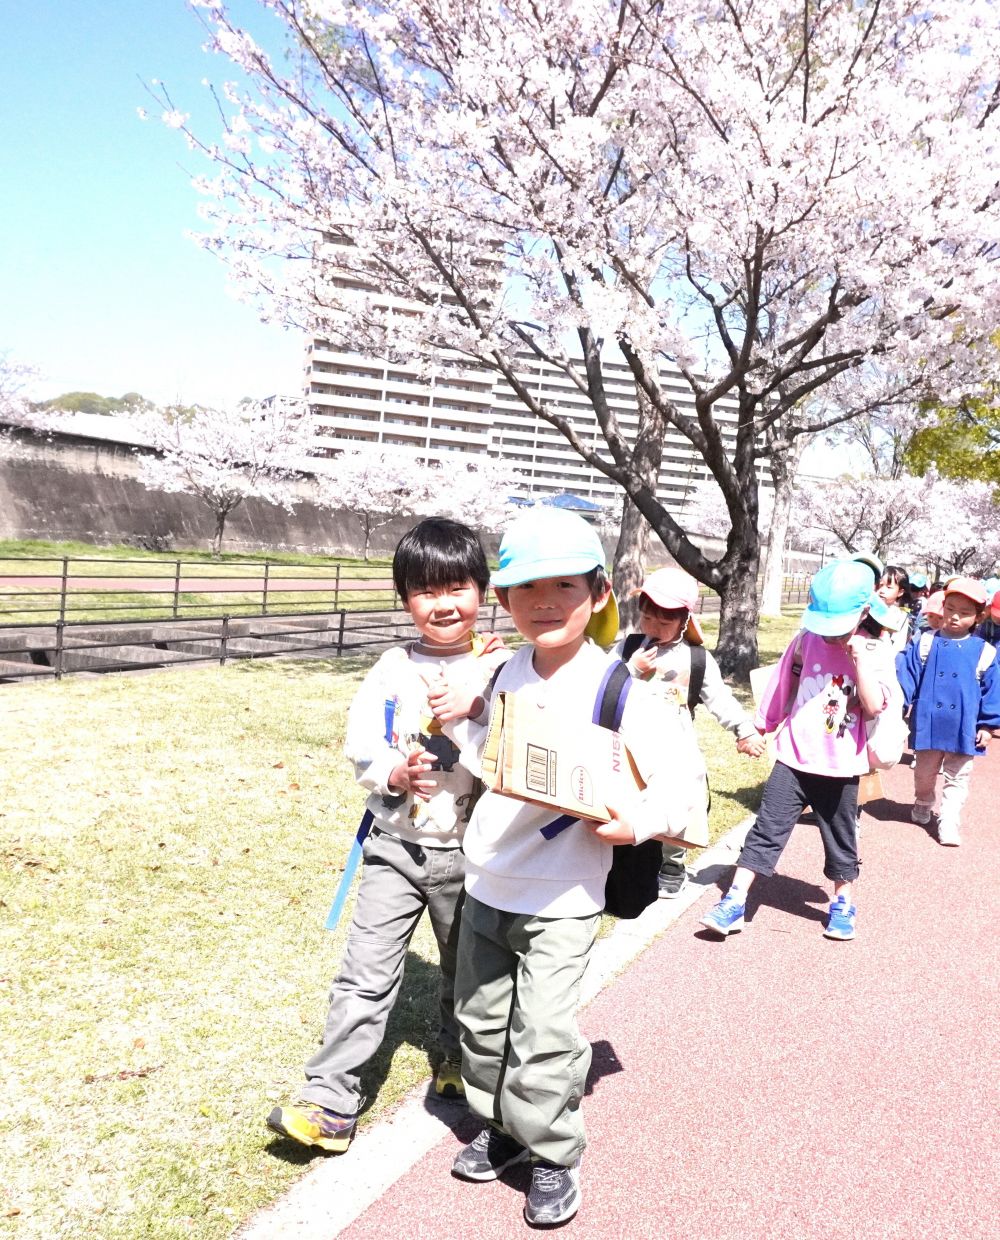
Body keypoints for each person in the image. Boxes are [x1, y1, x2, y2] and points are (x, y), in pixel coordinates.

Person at [434, 507, 705, 1228]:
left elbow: (682, 785)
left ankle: (553, 1151)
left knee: (544, 1034)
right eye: (526, 589)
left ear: (599, 595)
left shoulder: (618, 689)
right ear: (503, 601)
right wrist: (453, 723)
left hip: (564, 893)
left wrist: (638, 822)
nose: (544, 602)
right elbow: (486, 762)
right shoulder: (500, 673)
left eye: (564, 586)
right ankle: (504, 1128)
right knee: (482, 1022)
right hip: (488, 878)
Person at [266, 517, 508, 1154]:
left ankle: (456, 1059)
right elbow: (362, 743)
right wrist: (394, 771)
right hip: (394, 848)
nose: (443, 603)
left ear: (482, 590)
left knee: (470, 973)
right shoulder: (392, 665)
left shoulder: (503, 667)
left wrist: (472, 713)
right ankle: (329, 1101)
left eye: (457, 587)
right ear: (405, 598)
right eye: (425, 590)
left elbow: (513, 758)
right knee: (363, 975)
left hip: (476, 855)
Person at [700, 559, 893, 943]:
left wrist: (859, 662)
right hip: (792, 756)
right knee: (766, 830)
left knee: (840, 838)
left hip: (840, 766)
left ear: (864, 611)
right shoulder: (806, 639)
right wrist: (759, 726)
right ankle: (735, 899)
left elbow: (873, 706)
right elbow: (780, 685)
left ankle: (841, 903)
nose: (832, 637)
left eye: (839, 628)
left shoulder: (875, 649)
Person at [612, 566, 765, 897]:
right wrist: (631, 670)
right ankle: (630, 855)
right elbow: (605, 685)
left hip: (673, 751)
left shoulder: (696, 659)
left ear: (684, 621)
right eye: (647, 617)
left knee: (677, 804)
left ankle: (673, 860)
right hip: (629, 747)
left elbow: (720, 701)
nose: (653, 626)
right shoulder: (627, 648)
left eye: (664, 622)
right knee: (631, 801)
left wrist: (745, 731)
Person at [895, 577, 1000, 846]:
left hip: (964, 725)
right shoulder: (926, 642)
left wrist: (987, 726)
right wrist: (899, 704)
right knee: (924, 774)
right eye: (950, 608)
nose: (954, 617)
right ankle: (923, 800)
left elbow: (992, 690)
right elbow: (907, 673)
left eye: (964, 613)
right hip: (929, 721)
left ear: (979, 616)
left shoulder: (984, 652)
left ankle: (949, 819)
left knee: (958, 776)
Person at [875, 565, 913, 651]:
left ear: (900, 592)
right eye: (880, 585)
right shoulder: (868, 609)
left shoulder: (901, 617)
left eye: (889, 587)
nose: (882, 591)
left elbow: (898, 647)